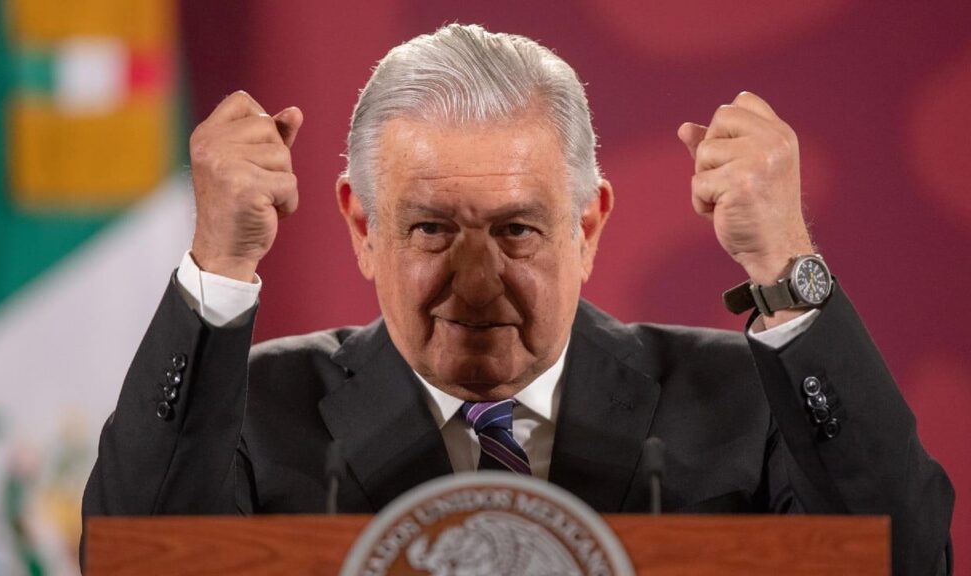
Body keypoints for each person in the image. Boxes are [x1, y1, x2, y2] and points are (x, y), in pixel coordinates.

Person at [82, 24, 953, 575]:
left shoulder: (747, 402)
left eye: (517, 230)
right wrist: (221, 262)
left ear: (589, 225)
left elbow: (906, 561)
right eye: (431, 229)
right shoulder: (249, 411)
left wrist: (786, 263)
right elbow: (132, 564)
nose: (476, 283)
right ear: (361, 225)